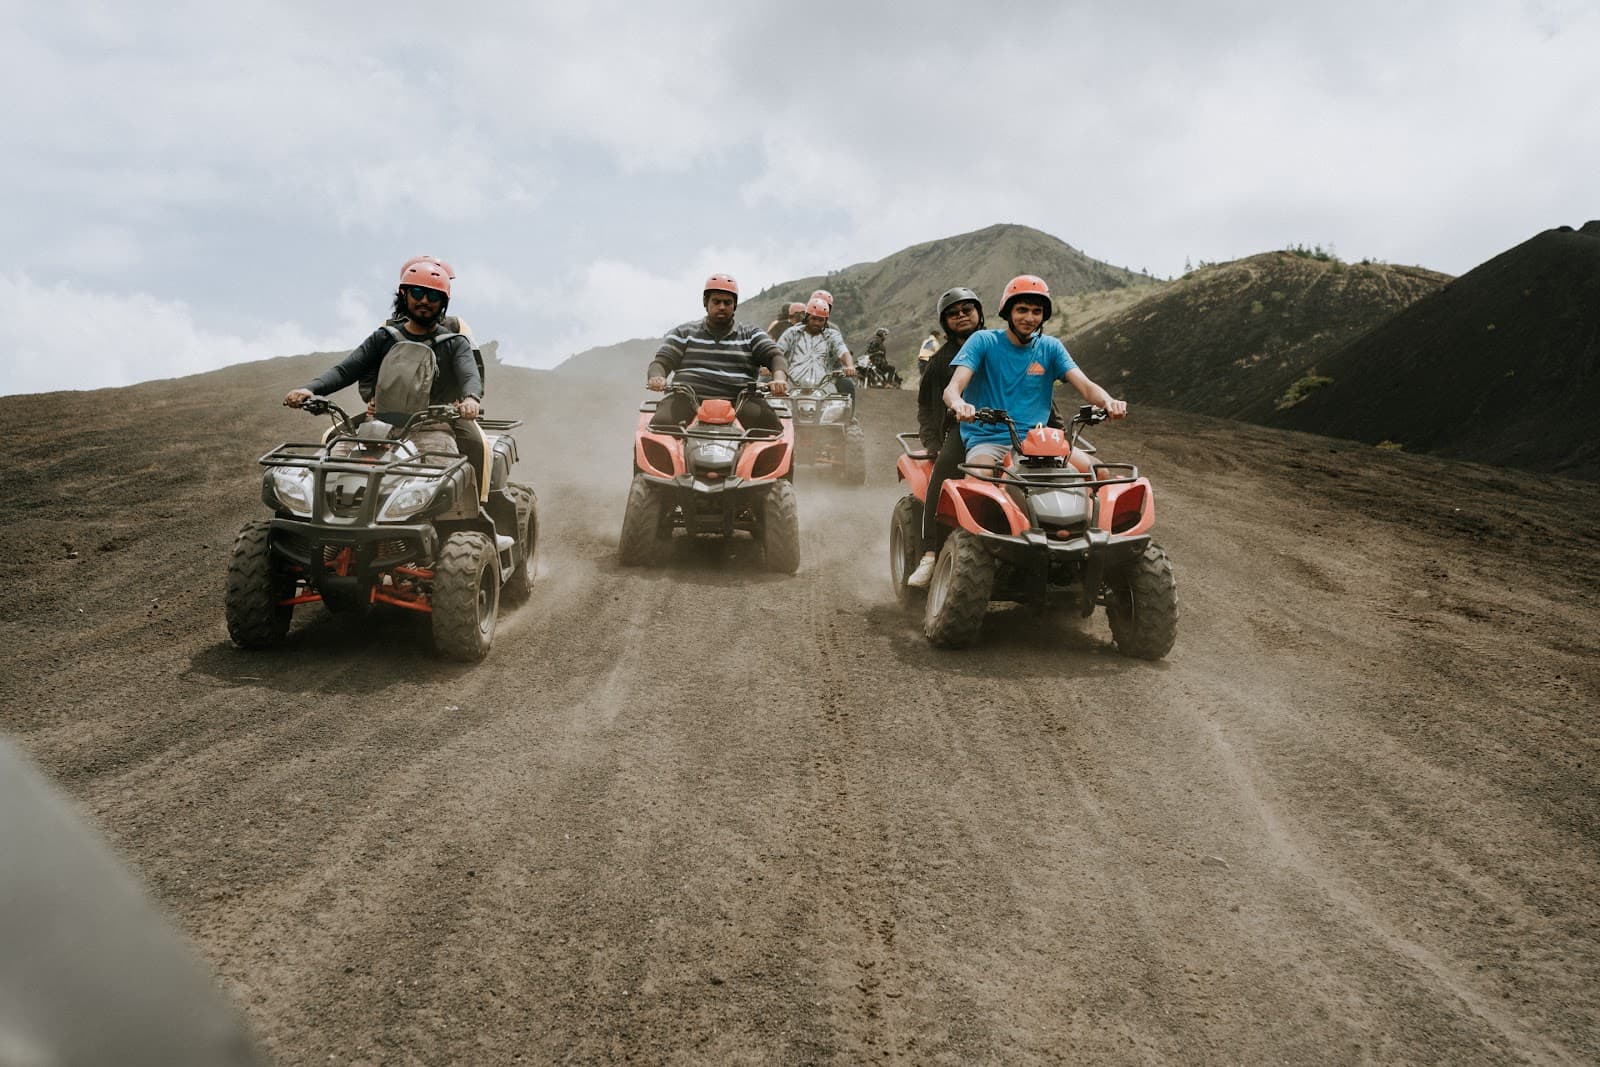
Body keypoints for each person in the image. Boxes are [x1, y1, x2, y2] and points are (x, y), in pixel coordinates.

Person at [907, 274, 1125, 588]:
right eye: (1022, 310)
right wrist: (959, 403)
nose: (1029, 318)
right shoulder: (983, 342)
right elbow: (953, 387)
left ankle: (1097, 558)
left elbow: (1087, 386)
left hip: (1040, 442)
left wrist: (1109, 401)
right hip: (988, 436)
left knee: (1097, 473)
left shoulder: (1051, 348)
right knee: (977, 484)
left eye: (1037, 311)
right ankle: (958, 559)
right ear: (1007, 312)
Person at [283, 258, 488, 489]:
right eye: (417, 292)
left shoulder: (455, 342)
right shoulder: (384, 337)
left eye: (433, 296)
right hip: (378, 426)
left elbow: (469, 375)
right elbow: (345, 370)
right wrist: (309, 389)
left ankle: (479, 505)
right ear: (404, 295)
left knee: (446, 483)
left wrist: (471, 399)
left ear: (443, 302)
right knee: (327, 468)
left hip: (432, 428)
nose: (424, 300)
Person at [647, 273, 789, 432]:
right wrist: (657, 377)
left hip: (741, 400)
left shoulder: (751, 334)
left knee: (772, 432)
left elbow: (775, 356)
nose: (722, 306)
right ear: (705, 302)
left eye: (727, 302)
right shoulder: (684, 332)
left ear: (734, 305)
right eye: (716, 301)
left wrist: (779, 379)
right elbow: (661, 361)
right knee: (659, 427)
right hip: (687, 398)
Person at [778, 295, 857, 414]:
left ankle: (850, 419)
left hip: (824, 385)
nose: (817, 323)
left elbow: (843, 351)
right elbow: (778, 350)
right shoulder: (792, 333)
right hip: (791, 384)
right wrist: (769, 366)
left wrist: (849, 366)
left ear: (826, 321)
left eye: (821, 320)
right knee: (775, 408)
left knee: (841, 408)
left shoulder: (832, 335)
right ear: (807, 317)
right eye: (814, 319)